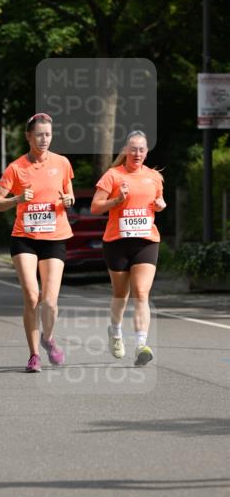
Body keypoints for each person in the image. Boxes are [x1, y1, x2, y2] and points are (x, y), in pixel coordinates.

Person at [0, 113, 74, 372]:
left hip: (55, 236)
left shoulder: (61, 163)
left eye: (48, 134)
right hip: (24, 237)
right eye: (39, 134)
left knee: (49, 300)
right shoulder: (16, 168)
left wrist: (68, 200)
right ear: (28, 136)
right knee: (31, 295)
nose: (44, 139)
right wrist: (17, 199)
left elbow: (68, 193)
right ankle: (34, 354)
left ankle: (48, 338)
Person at [91, 130, 166, 365]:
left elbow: (159, 202)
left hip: (146, 241)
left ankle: (141, 344)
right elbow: (95, 207)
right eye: (133, 149)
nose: (137, 153)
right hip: (117, 242)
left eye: (141, 149)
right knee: (121, 294)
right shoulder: (113, 176)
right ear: (126, 150)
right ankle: (115, 331)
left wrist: (161, 205)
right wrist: (117, 201)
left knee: (141, 293)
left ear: (146, 152)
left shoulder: (154, 177)